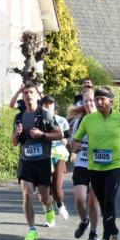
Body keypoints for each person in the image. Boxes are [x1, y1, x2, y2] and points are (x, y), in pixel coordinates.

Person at [71, 87, 120, 240]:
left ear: (111, 101)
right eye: (97, 99)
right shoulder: (88, 120)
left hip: (115, 166)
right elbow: (75, 140)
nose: (99, 102)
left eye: (102, 99)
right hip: (94, 167)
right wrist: (75, 146)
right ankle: (115, 232)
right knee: (104, 204)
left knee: (109, 201)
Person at [12, 84, 62, 240]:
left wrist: (42, 134)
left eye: (31, 92)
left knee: (43, 197)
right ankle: (32, 230)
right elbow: (14, 143)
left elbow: (59, 134)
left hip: (42, 161)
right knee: (26, 193)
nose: (28, 95)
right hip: (25, 161)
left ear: (37, 95)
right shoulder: (19, 117)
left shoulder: (45, 114)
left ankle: (49, 208)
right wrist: (16, 133)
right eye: (25, 93)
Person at [69, 92, 102, 240]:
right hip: (82, 163)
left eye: (92, 101)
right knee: (80, 199)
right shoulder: (79, 121)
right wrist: (75, 147)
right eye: (86, 101)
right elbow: (72, 143)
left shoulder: (104, 120)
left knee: (93, 201)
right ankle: (84, 220)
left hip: (98, 165)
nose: (89, 104)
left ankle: (94, 232)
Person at [43, 94, 72, 222]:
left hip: (58, 155)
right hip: (43, 156)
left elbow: (68, 137)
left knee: (57, 189)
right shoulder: (38, 120)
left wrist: (66, 141)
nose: (48, 106)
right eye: (45, 103)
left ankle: (60, 204)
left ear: (55, 106)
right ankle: (49, 214)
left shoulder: (62, 120)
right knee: (45, 188)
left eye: (50, 103)